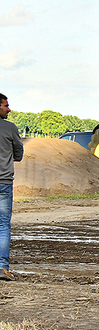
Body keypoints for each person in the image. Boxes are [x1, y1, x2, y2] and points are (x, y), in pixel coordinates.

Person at [0, 94, 23, 281]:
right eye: (6, 106)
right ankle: (2, 268)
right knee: (3, 226)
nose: (9, 109)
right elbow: (19, 152)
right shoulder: (10, 128)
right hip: (4, 183)